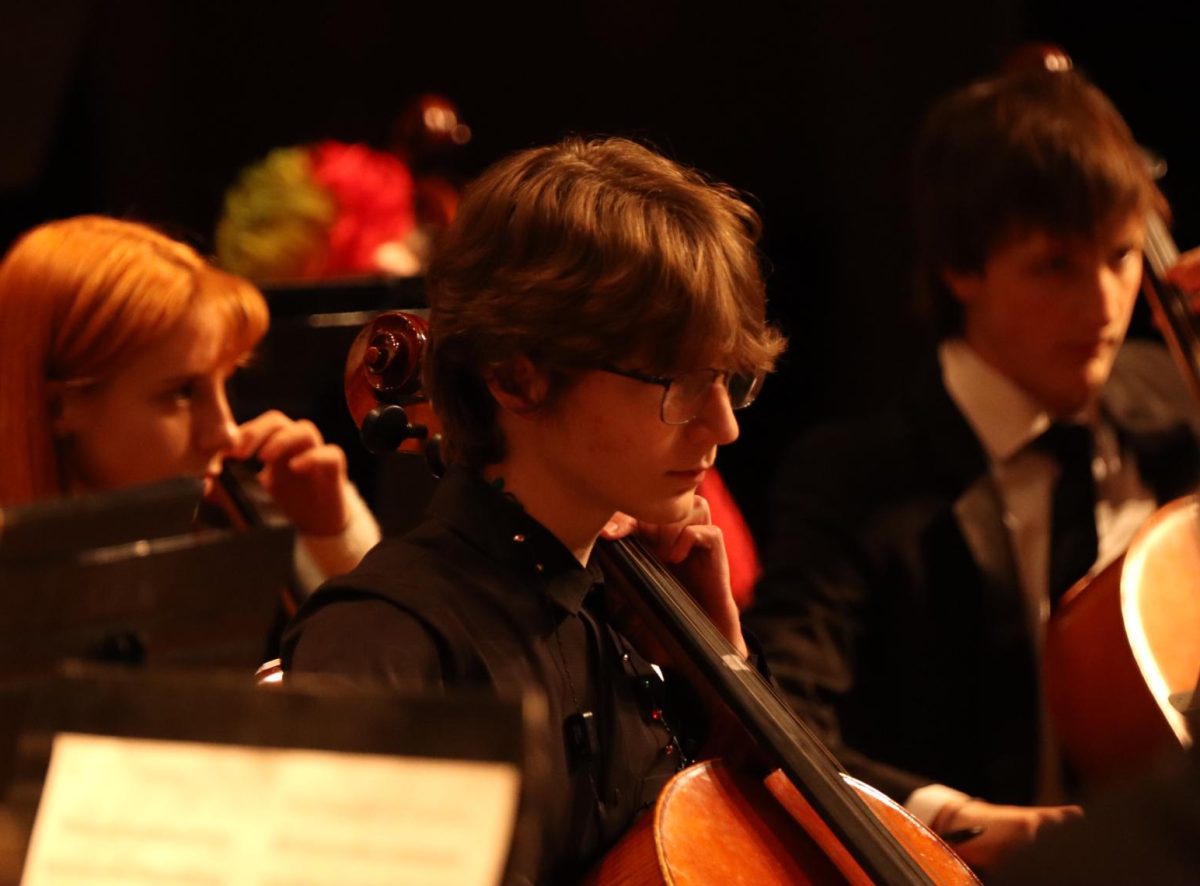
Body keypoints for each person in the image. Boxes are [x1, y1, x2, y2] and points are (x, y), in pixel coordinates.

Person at [282, 136, 784, 882]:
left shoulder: (627, 618)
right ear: (517, 380)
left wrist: (726, 675)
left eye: (728, 380)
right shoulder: (385, 643)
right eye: (676, 383)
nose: (725, 425)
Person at [744, 66, 1200, 871]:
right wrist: (962, 821)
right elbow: (784, 717)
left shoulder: (1180, 406)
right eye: (1056, 266)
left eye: (1123, 256)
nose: (1104, 305)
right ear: (962, 268)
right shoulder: (855, 477)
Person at [0, 215, 379, 592]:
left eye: (224, 382)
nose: (226, 433)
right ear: (58, 409)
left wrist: (331, 536)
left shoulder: (223, 533)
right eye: (182, 393)